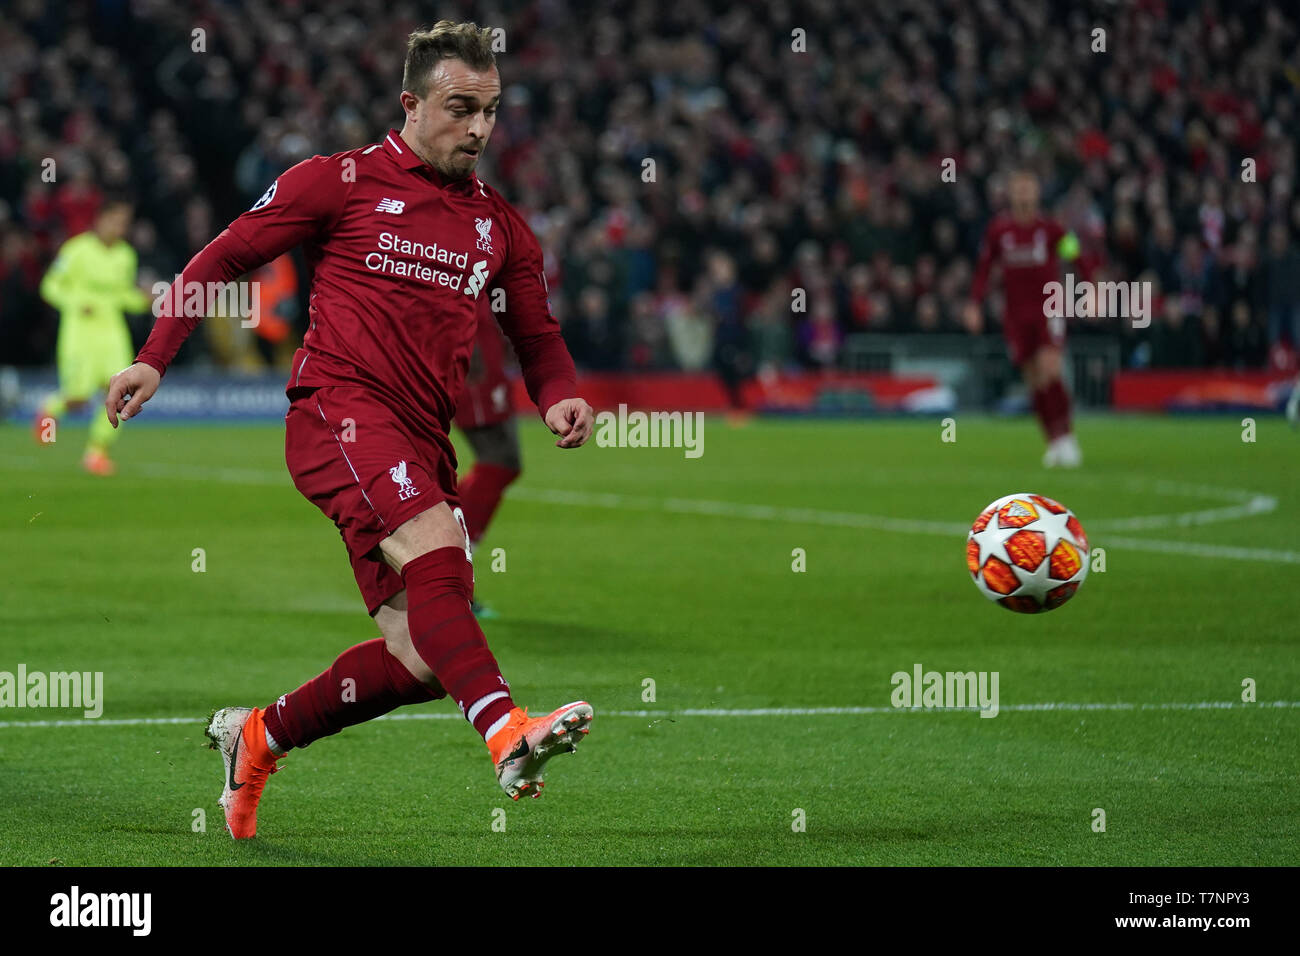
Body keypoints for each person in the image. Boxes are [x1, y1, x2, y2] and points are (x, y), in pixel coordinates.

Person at [103, 21, 596, 838]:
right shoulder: (340, 181)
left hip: (421, 438)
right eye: (459, 107)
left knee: (420, 659)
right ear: (411, 103)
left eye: (492, 110)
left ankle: (258, 735)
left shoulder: (498, 226)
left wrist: (560, 395)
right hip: (339, 409)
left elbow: (536, 334)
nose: (478, 128)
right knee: (436, 550)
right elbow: (222, 258)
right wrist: (155, 356)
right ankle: (507, 730)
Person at [965, 169, 1083, 467]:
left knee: (1050, 368)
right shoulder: (999, 231)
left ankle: (1067, 435)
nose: (1024, 194)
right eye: (1018, 188)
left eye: (1028, 188)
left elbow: (1077, 255)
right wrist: (974, 304)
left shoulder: (1052, 229)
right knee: (1034, 379)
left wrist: (1092, 288)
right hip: (1016, 315)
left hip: (1049, 308)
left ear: (1037, 192)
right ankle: (1052, 440)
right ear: (1010, 194)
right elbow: (983, 269)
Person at [36, 196, 151, 475]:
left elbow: (122, 295)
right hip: (80, 332)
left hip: (112, 332)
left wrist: (143, 300)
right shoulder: (76, 250)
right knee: (78, 396)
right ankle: (50, 407)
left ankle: (96, 453)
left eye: (124, 223)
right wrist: (75, 303)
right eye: (115, 221)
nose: (119, 227)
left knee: (118, 392)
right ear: (100, 219)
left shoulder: (126, 255)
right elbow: (49, 285)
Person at [453, 303, 523, 618]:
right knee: (500, 460)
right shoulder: (448, 261)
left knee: (505, 463)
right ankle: (449, 562)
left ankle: (445, 548)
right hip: (475, 371)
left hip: (489, 364)